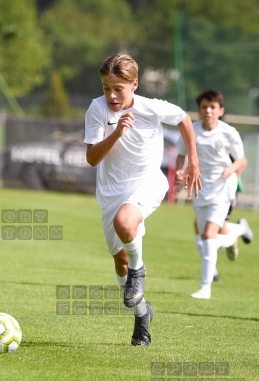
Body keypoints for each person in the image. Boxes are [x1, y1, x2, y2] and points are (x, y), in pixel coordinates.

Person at [84, 53, 201, 346]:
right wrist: (118, 132)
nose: (111, 94)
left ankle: (140, 270)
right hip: (110, 193)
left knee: (125, 223)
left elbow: (185, 120)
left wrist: (192, 162)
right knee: (119, 263)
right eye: (105, 87)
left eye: (118, 88)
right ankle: (142, 314)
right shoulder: (97, 109)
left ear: (134, 84)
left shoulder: (151, 108)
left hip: (148, 183)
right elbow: (92, 158)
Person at [175, 89, 253, 299]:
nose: (208, 111)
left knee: (209, 235)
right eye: (204, 107)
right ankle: (237, 231)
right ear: (199, 111)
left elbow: (241, 160)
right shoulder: (191, 130)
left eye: (212, 107)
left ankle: (205, 287)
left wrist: (231, 171)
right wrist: (181, 171)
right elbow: (181, 155)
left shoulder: (228, 132)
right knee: (204, 235)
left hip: (223, 189)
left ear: (220, 110)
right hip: (199, 188)